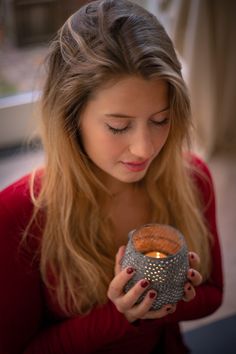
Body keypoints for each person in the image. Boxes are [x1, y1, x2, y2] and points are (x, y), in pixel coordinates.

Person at [0, 0, 223, 353]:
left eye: (160, 120)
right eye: (118, 126)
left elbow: (213, 296)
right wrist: (121, 317)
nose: (145, 148)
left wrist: (172, 292)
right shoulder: (17, 215)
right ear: (70, 118)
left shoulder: (194, 179)